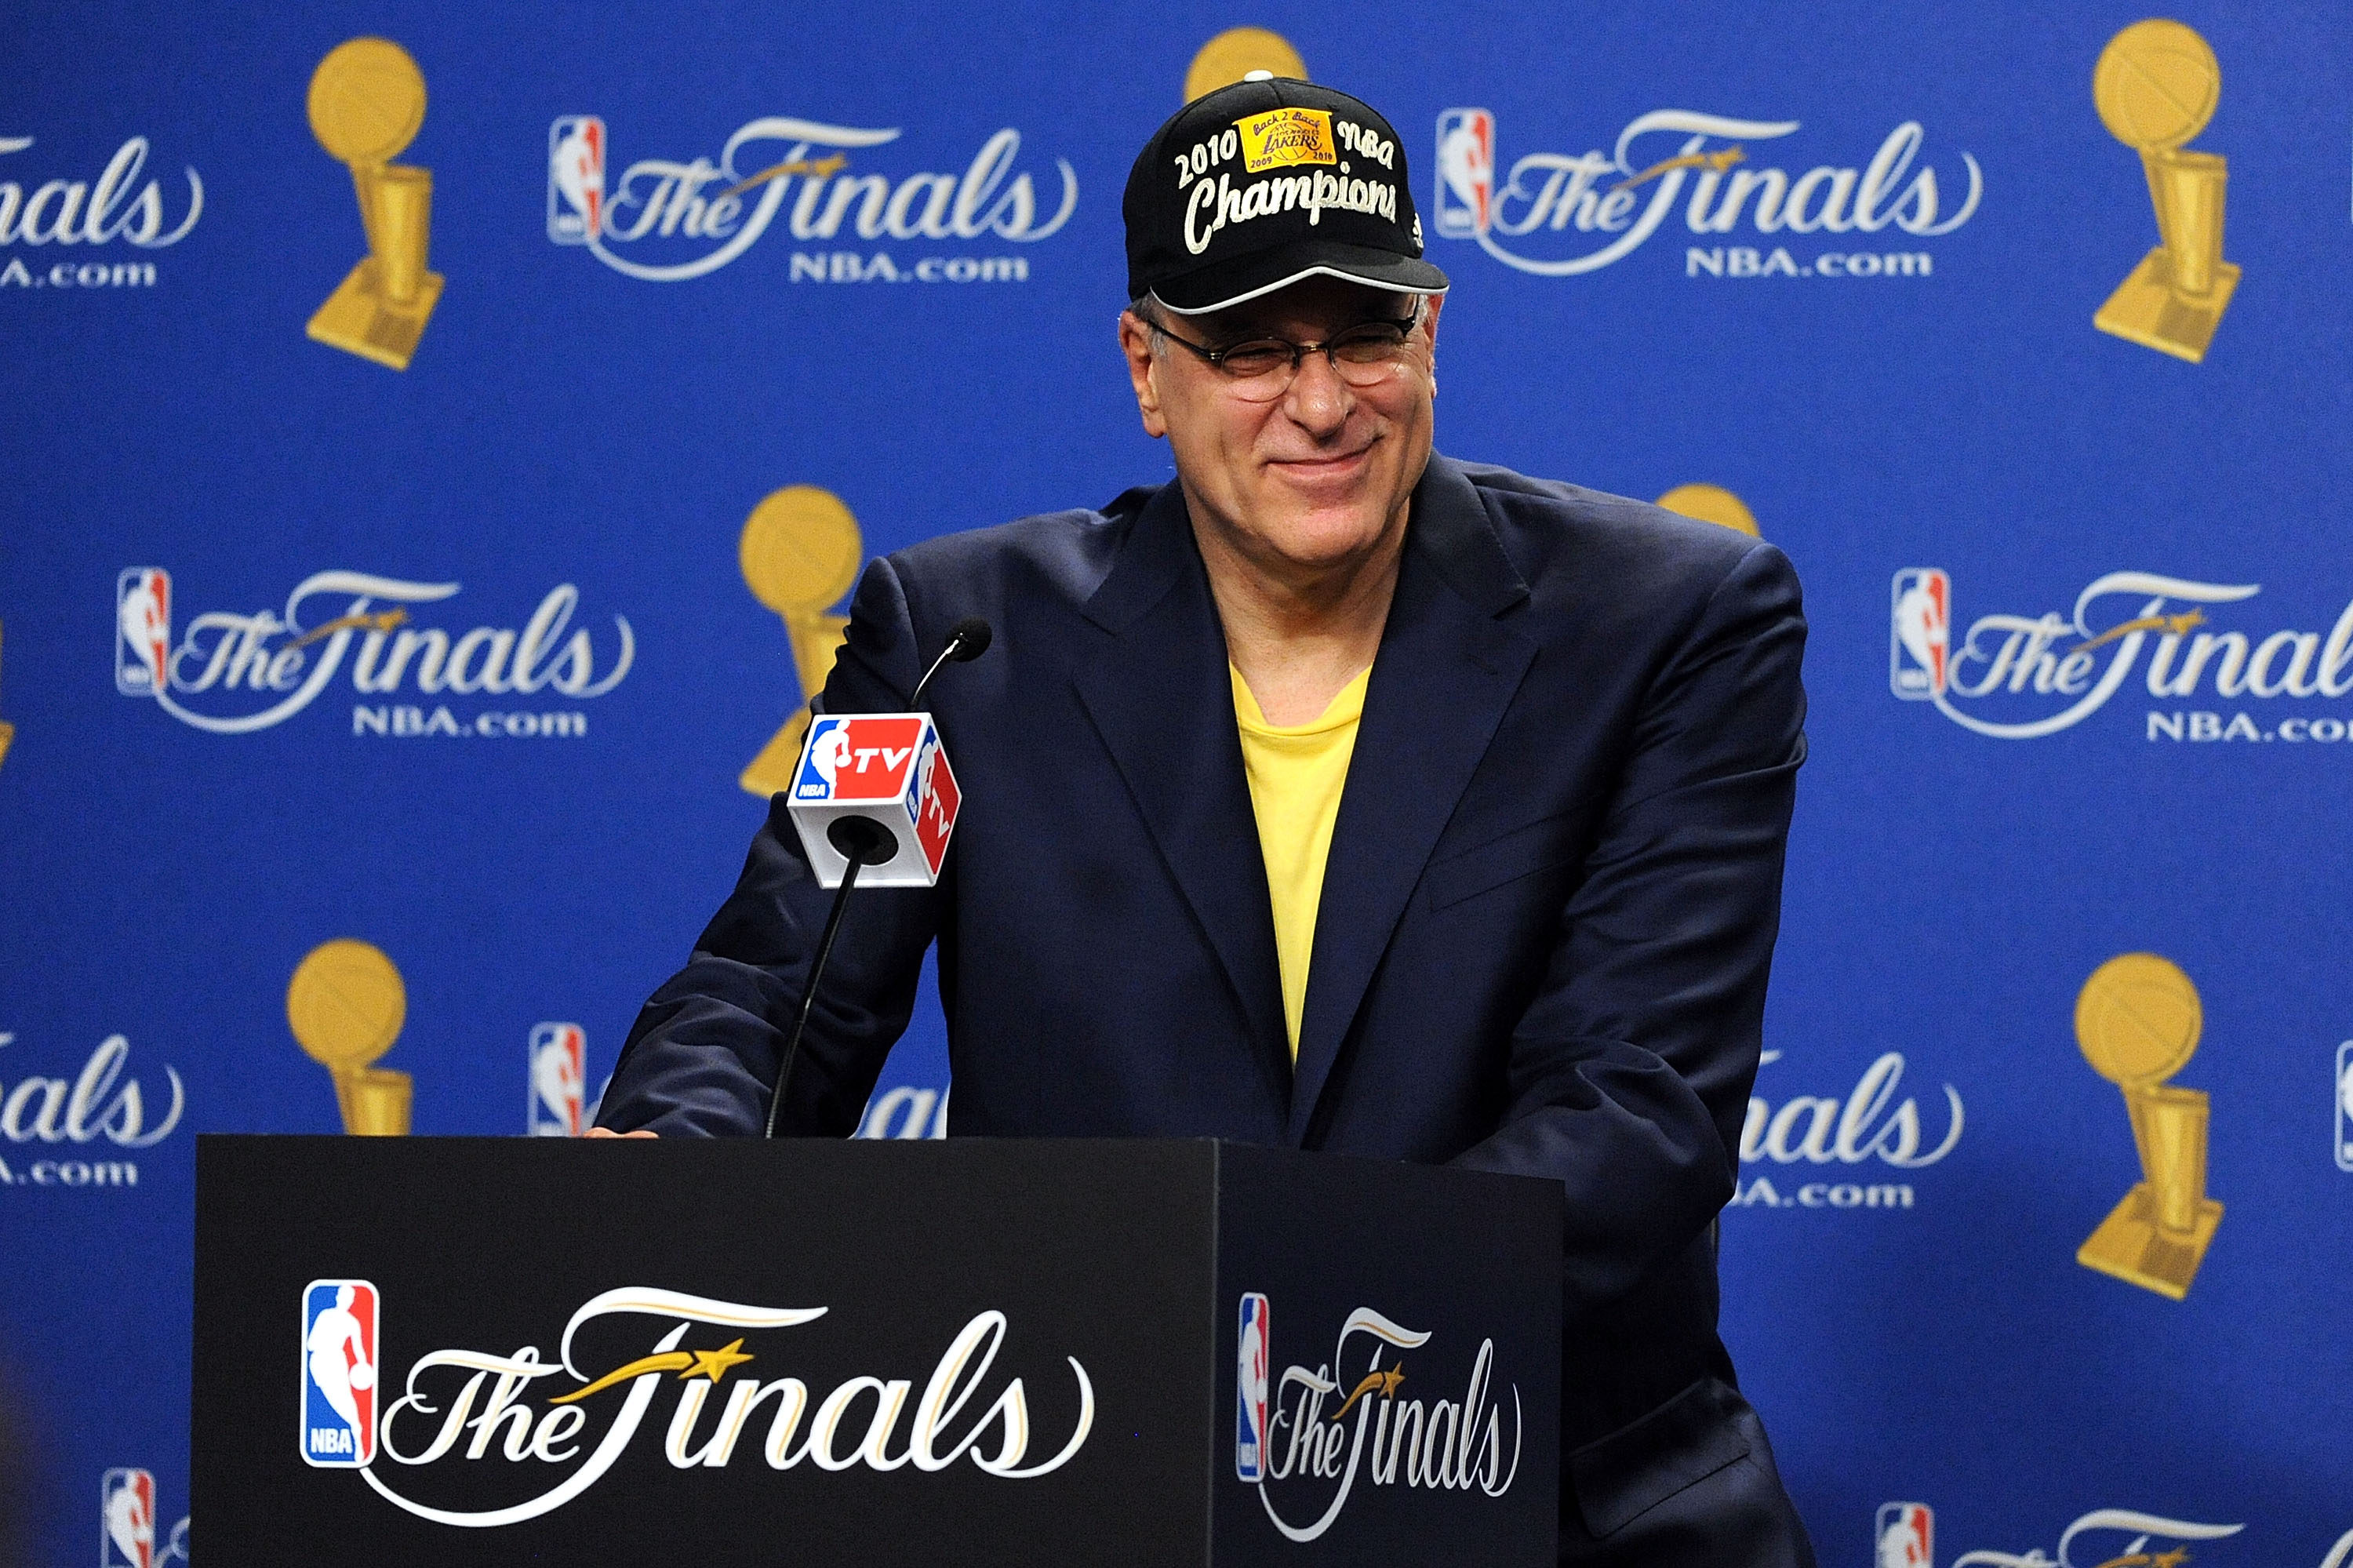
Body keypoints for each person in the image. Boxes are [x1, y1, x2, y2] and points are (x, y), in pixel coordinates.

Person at [595, 75, 1814, 1566]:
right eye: (1249, 346)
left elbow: (1633, 1114)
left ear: (1431, 332)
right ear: (1145, 367)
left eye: (1366, 330)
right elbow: (780, 992)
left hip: (1546, 1498)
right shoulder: (955, 644)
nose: (1321, 401)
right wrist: (670, 1165)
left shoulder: (1672, 622)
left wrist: (1215, 1326)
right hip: (1100, 1502)